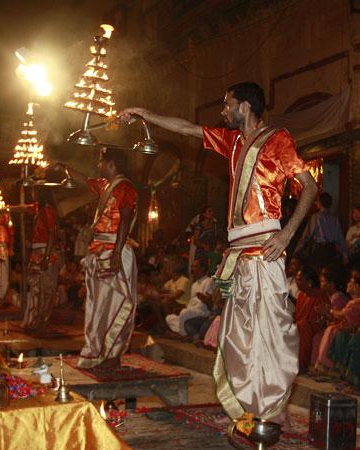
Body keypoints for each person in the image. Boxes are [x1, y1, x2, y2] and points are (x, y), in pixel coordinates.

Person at [120, 81, 317, 424]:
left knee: (270, 331)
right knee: (238, 333)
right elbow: (187, 128)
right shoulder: (233, 141)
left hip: (266, 247)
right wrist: (144, 114)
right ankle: (248, 405)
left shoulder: (278, 139)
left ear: (245, 107)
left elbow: (311, 188)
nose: (222, 111)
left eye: (227, 104)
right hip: (237, 250)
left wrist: (286, 236)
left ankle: (270, 409)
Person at [61, 146, 138, 369]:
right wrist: (64, 168)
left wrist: (115, 253)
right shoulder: (106, 186)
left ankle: (112, 354)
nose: (99, 165)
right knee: (97, 305)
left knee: (114, 303)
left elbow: (124, 220)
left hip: (115, 250)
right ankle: (97, 351)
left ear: (112, 164)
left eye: (102, 161)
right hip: (98, 250)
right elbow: (85, 180)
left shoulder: (125, 187)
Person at [16, 189, 60, 329]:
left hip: (45, 253)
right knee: (35, 289)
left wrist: (46, 257)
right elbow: (24, 207)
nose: (33, 193)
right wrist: (6, 207)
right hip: (36, 253)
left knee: (47, 290)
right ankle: (33, 319)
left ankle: (41, 319)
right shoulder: (38, 208)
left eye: (35, 191)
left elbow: (52, 233)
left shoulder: (48, 211)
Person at [294, 192, 347, 269]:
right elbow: (340, 239)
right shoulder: (335, 219)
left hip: (319, 251)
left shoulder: (316, 217)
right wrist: (345, 254)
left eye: (317, 201)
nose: (316, 203)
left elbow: (306, 236)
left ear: (320, 203)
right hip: (332, 251)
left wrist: (296, 250)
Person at [166, 257, 214, 338]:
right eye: (192, 266)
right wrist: (182, 307)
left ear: (202, 268)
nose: (192, 269)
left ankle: (181, 334)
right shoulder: (194, 284)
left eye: (195, 267)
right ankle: (184, 332)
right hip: (191, 310)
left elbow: (208, 302)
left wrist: (204, 298)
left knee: (184, 313)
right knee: (169, 318)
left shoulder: (209, 281)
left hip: (201, 312)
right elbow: (191, 302)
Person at [294, 268, 330, 372]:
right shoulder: (301, 295)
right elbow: (297, 315)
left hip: (315, 327)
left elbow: (322, 319)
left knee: (303, 326)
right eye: (296, 279)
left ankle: (301, 365)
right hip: (302, 325)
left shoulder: (320, 295)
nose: (297, 282)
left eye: (300, 280)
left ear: (310, 282)